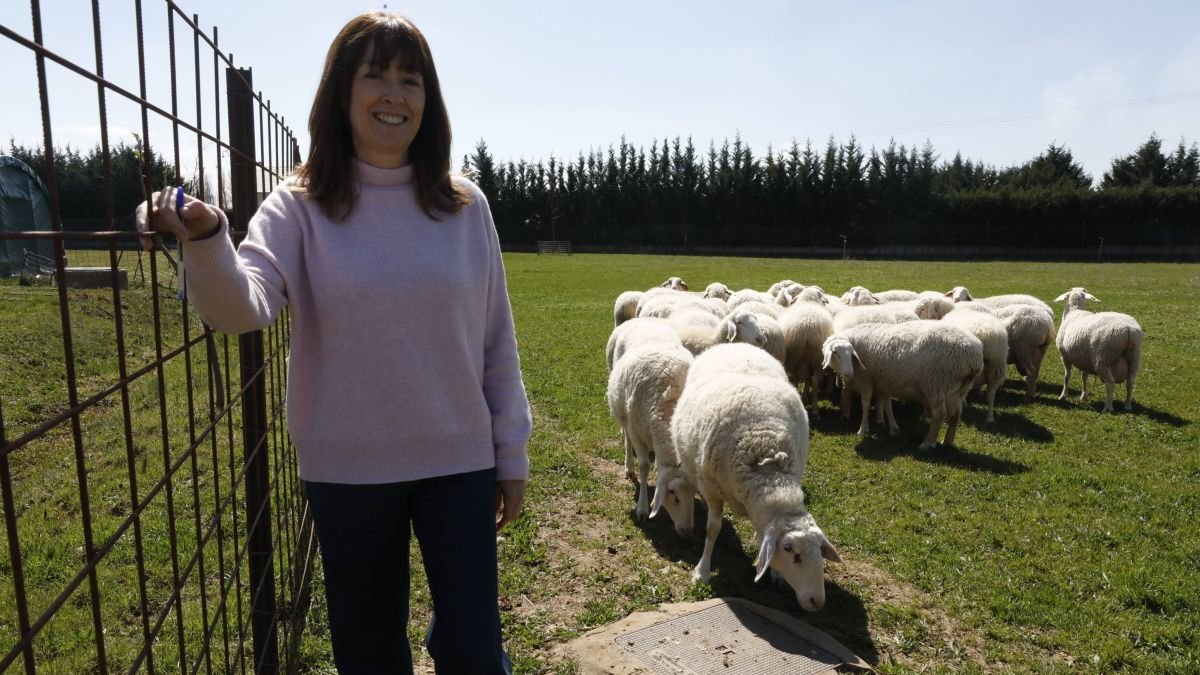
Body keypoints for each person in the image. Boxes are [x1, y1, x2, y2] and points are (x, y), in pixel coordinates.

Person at [136, 11, 531, 674]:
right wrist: (206, 238)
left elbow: (496, 335)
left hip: (458, 464)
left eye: (410, 80)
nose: (394, 95)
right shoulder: (298, 206)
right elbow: (244, 307)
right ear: (342, 92)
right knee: (369, 650)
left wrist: (510, 451)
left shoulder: (465, 205)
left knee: (473, 647)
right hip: (349, 474)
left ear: (427, 100)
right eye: (375, 75)